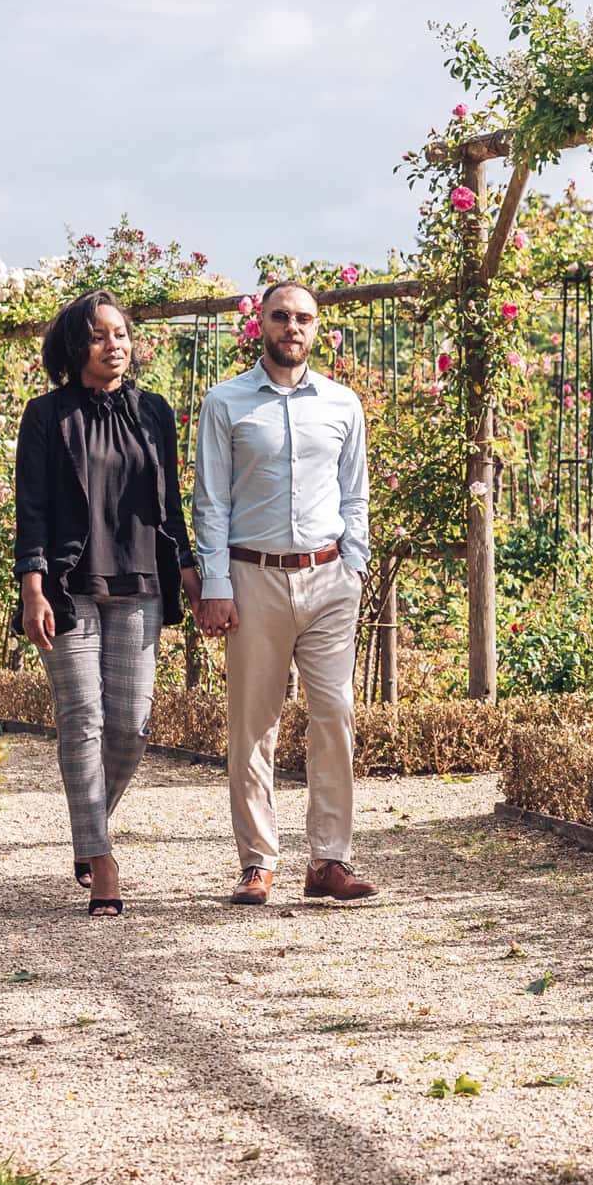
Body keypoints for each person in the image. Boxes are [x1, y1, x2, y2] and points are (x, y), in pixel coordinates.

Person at [14, 291, 203, 917]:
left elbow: (170, 503)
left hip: (141, 583)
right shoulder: (47, 415)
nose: (113, 345)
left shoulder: (154, 412)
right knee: (83, 720)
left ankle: (86, 829)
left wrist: (188, 569)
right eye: (98, 336)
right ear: (75, 347)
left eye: (120, 333)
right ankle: (100, 859)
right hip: (68, 587)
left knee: (130, 726)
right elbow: (31, 507)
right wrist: (32, 585)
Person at [192, 280, 376, 905]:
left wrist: (354, 565)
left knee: (336, 715)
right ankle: (257, 862)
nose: (291, 327)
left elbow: (355, 495)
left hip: (329, 579)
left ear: (316, 328)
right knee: (253, 723)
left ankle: (329, 861)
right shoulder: (226, 403)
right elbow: (211, 502)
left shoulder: (343, 404)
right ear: (261, 325)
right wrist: (216, 584)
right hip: (253, 578)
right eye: (280, 316)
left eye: (302, 318)